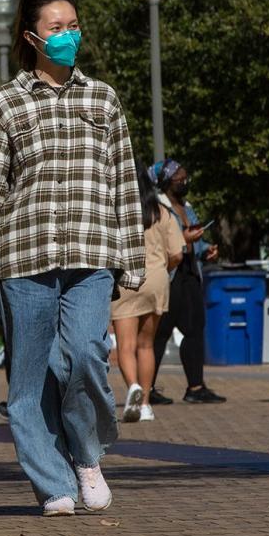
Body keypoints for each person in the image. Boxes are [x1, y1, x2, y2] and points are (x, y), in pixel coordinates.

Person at [0, 0, 146, 517]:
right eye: (57, 27)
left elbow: (124, 184)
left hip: (93, 253)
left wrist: (131, 259)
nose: (69, 35)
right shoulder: (6, 102)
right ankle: (54, 483)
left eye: (74, 25)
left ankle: (87, 456)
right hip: (24, 257)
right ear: (32, 37)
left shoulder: (104, 99)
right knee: (30, 377)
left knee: (86, 355)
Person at [150, 159, 226, 404]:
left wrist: (204, 250)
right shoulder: (157, 208)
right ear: (165, 182)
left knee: (195, 329)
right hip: (170, 274)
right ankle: (146, 387)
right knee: (160, 332)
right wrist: (183, 238)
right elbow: (157, 243)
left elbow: (194, 238)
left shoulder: (187, 206)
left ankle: (195, 386)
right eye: (178, 178)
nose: (184, 181)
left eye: (185, 176)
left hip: (190, 272)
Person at [112, 161, 184, 423]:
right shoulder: (161, 212)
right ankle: (145, 405)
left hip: (125, 281)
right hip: (156, 279)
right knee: (146, 345)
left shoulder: (115, 213)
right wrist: (164, 265)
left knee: (126, 346)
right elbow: (177, 253)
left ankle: (132, 386)